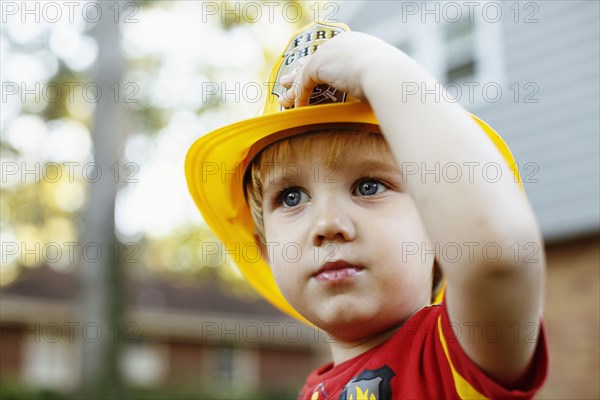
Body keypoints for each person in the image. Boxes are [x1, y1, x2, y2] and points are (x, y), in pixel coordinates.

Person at [185, 21, 548, 399]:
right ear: (264, 247)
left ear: (439, 227)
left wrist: (377, 68)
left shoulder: (455, 354)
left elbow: (498, 258)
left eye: (369, 186)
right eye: (291, 197)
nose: (327, 224)